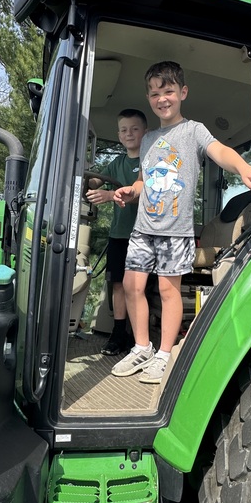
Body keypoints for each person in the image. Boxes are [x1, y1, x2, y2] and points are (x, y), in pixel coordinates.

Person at [111, 61, 251, 383]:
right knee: (131, 286)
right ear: (149, 97)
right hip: (143, 228)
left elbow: (219, 150)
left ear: (182, 92)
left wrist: (242, 167)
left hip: (175, 230)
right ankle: (141, 346)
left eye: (168, 91)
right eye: (155, 93)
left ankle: (163, 354)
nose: (162, 99)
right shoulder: (148, 138)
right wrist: (131, 192)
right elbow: (144, 181)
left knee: (168, 292)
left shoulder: (193, 130)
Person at [86, 109, 148, 355]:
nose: (128, 133)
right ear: (119, 135)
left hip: (143, 234)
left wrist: (111, 195)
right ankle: (118, 334)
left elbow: (137, 191)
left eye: (134, 128)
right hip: (119, 234)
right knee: (118, 285)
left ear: (145, 132)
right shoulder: (117, 163)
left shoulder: (148, 162)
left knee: (137, 287)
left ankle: (139, 338)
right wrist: (86, 179)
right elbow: (96, 181)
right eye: (124, 130)